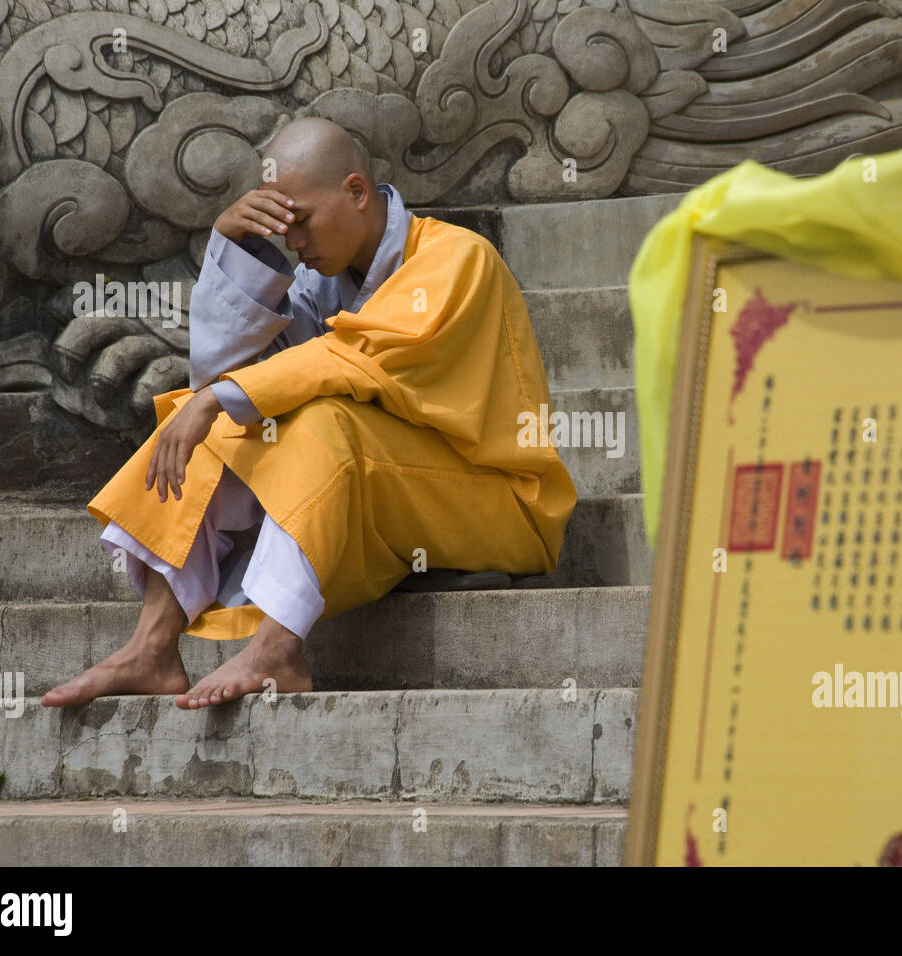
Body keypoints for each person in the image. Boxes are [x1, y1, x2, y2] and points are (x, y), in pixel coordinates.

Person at [40, 117, 576, 710]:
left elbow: (346, 361)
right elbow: (222, 377)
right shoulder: (319, 284)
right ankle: (152, 648)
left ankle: (278, 650)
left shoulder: (456, 258)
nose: (293, 242)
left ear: (355, 191)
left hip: (499, 502)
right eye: (283, 227)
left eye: (301, 221)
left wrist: (218, 398)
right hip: (400, 491)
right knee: (208, 422)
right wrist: (236, 252)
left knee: (315, 421)